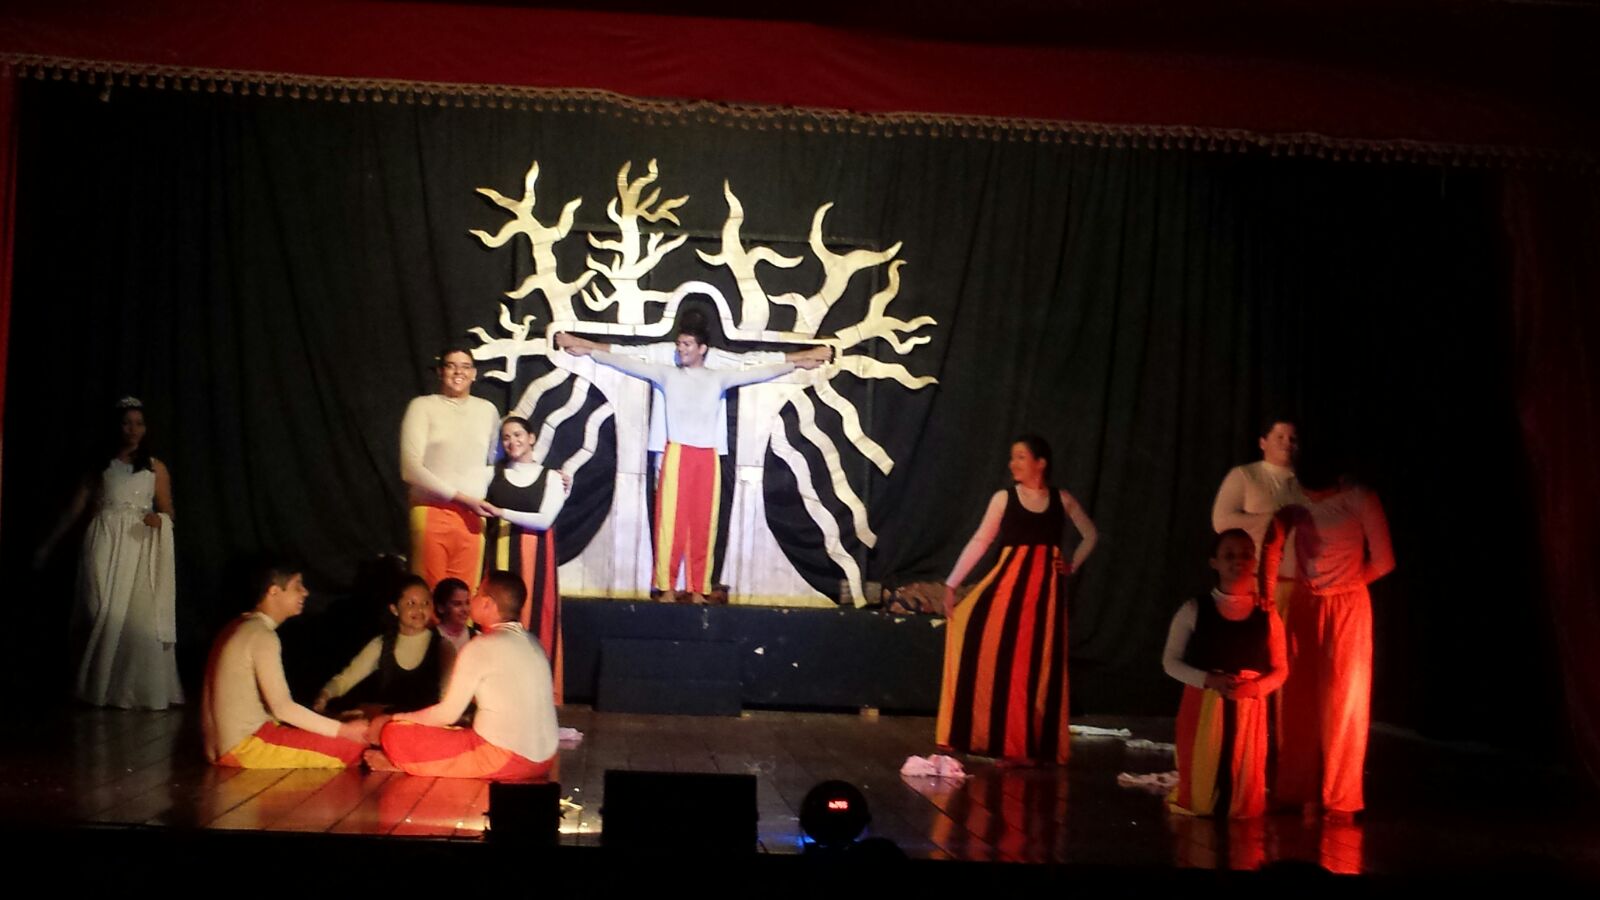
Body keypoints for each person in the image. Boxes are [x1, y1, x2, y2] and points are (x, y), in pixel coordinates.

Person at [556, 321, 825, 603]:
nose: (681, 349)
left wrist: (797, 363)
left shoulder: (717, 378)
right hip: (678, 454)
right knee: (670, 523)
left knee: (703, 524)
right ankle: (667, 587)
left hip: (707, 457)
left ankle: (698, 588)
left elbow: (758, 372)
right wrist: (587, 350)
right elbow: (626, 362)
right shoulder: (668, 374)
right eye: (679, 344)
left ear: (702, 349)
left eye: (687, 344)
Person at [935, 435, 1098, 764]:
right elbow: (981, 540)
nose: (1013, 464)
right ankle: (989, 736)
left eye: (1021, 457)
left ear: (1041, 463)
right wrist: (952, 584)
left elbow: (1091, 535)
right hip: (1006, 590)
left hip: (1044, 599)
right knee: (999, 659)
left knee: (1033, 667)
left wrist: (1071, 564)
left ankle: (1024, 744)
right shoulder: (1004, 498)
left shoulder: (1061, 499)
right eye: (1013, 457)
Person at [1259, 447, 1395, 823]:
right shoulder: (1293, 493)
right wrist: (1266, 597)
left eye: (1319, 491)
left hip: (1348, 605)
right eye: (1308, 490)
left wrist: (1346, 584)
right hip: (1304, 602)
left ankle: (1341, 800)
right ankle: (1292, 789)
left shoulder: (1360, 499)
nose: (1313, 497)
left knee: (1344, 702)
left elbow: (1384, 560)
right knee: (1294, 698)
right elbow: (1272, 543)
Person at [38, 397, 183, 709]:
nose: (133, 429)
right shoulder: (100, 465)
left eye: (139, 423)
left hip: (138, 543)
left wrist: (160, 520)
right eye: (127, 423)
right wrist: (49, 544)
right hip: (104, 540)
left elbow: (168, 510)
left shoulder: (154, 467)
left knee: (134, 616)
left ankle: (127, 690)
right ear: (117, 426)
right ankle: (96, 685)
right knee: (97, 608)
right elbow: (75, 509)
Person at [370, 570, 559, 780]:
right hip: (545, 759)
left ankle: (406, 763)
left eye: (476, 593)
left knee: (393, 733)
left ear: (487, 603)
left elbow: (447, 714)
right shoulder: (533, 642)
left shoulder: (481, 645)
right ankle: (413, 763)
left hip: (504, 757)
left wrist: (394, 718)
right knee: (444, 732)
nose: (471, 601)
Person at [1163, 529, 1288, 818]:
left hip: (1248, 711)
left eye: (1245, 555)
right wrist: (1209, 680)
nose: (1238, 561)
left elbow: (1281, 668)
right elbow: (1170, 662)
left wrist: (1255, 688)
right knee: (1203, 797)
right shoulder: (1194, 609)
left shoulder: (1267, 614)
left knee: (1242, 804)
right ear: (1214, 563)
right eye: (1229, 555)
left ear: (1254, 561)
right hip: (1205, 708)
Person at [201, 559, 368, 768]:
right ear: (273, 591)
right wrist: (345, 731)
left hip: (224, 746)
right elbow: (282, 708)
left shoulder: (237, 626)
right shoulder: (262, 635)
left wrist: (334, 721)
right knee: (358, 748)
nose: (305, 592)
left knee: (341, 732)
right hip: (247, 746)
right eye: (297, 586)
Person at [480, 415, 569, 703]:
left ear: (531, 438)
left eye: (518, 434)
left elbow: (544, 520)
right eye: (506, 437)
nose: (512, 441)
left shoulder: (552, 477)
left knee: (536, 617)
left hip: (537, 558)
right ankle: (496, 692)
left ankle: (537, 694)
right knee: (499, 619)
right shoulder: (492, 474)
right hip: (501, 556)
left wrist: (500, 512)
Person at [400, 346, 502, 591]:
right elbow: (410, 469)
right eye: (451, 366)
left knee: (464, 596)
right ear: (440, 371)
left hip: (472, 517)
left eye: (465, 367)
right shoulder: (422, 406)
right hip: (431, 510)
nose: (458, 372)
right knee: (430, 590)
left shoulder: (487, 410)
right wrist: (460, 497)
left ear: (474, 373)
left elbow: (493, 462)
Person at [314, 574, 455, 715]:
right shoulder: (382, 644)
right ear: (394, 609)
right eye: (411, 603)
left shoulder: (443, 647)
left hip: (426, 724)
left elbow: (447, 697)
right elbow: (346, 679)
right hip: (387, 724)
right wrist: (325, 695)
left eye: (425, 603)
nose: (419, 610)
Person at [1211, 417, 1304, 618]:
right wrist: (1274, 521)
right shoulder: (1245, 475)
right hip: (1255, 581)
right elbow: (1222, 521)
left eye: (1292, 438)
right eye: (1280, 437)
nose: (1287, 443)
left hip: (1299, 583)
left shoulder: (1306, 481)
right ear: (1263, 442)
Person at [432, 577, 474, 652]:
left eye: (467, 603)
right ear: (441, 608)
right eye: (457, 604)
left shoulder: (476, 637)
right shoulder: (430, 639)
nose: (465, 609)